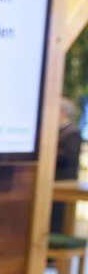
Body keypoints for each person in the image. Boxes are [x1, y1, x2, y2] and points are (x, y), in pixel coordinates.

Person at [51, 97, 81, 233]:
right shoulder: (53, 131)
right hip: (52, 182)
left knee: (59, 220)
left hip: (64, 181)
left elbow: (68, 156)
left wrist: (47, 151)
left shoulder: (72, 132)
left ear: (62, 112)